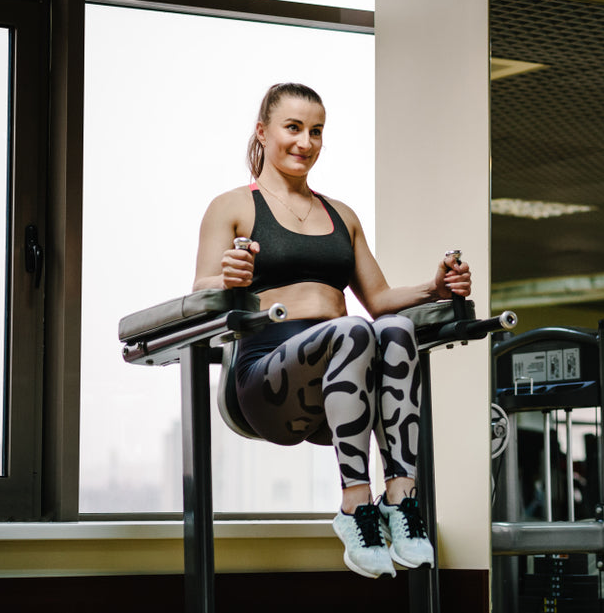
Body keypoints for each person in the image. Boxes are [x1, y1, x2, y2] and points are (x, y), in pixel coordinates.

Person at [192, 82, 471, 579]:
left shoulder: (341, 215)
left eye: (316, 131)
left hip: (344, 392)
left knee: (396, 329)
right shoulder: (233, 206)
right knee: (356, 331)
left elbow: (380, 299)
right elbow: (200, 291)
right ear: (263, 131)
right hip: (269, 381)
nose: (305, 142)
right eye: (293, 128)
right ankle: (354, 506)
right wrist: (227, 277)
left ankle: (400, 502)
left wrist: (435, 287)